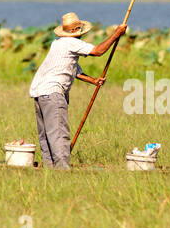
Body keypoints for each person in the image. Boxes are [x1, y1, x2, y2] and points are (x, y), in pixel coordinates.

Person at [28, 12, 126, 169]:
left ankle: (49, 171)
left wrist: (93, 81)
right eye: (79, 31)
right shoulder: (70, 42)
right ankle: (62, 173)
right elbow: (98, 51)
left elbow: (73, 69)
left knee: (46, 136)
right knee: (59, 134)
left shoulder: (58, 42)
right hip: (53, 93)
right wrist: (117, 34)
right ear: (74, 31)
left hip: (40, 93)